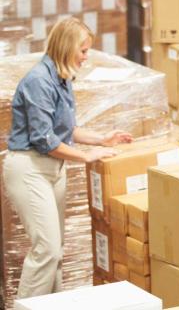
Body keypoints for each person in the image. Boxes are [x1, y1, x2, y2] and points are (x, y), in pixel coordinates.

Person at [2, 17, 133, 298]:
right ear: (66, 46)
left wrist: (101, 139)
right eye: (83, 51)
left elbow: (66, 129)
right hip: (30, 168)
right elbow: (44, 140)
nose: (86, 58)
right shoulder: (39, 81)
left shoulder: (62, 79)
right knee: (46, 249)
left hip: (53, 169)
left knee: (56, 251)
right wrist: (86, 156)